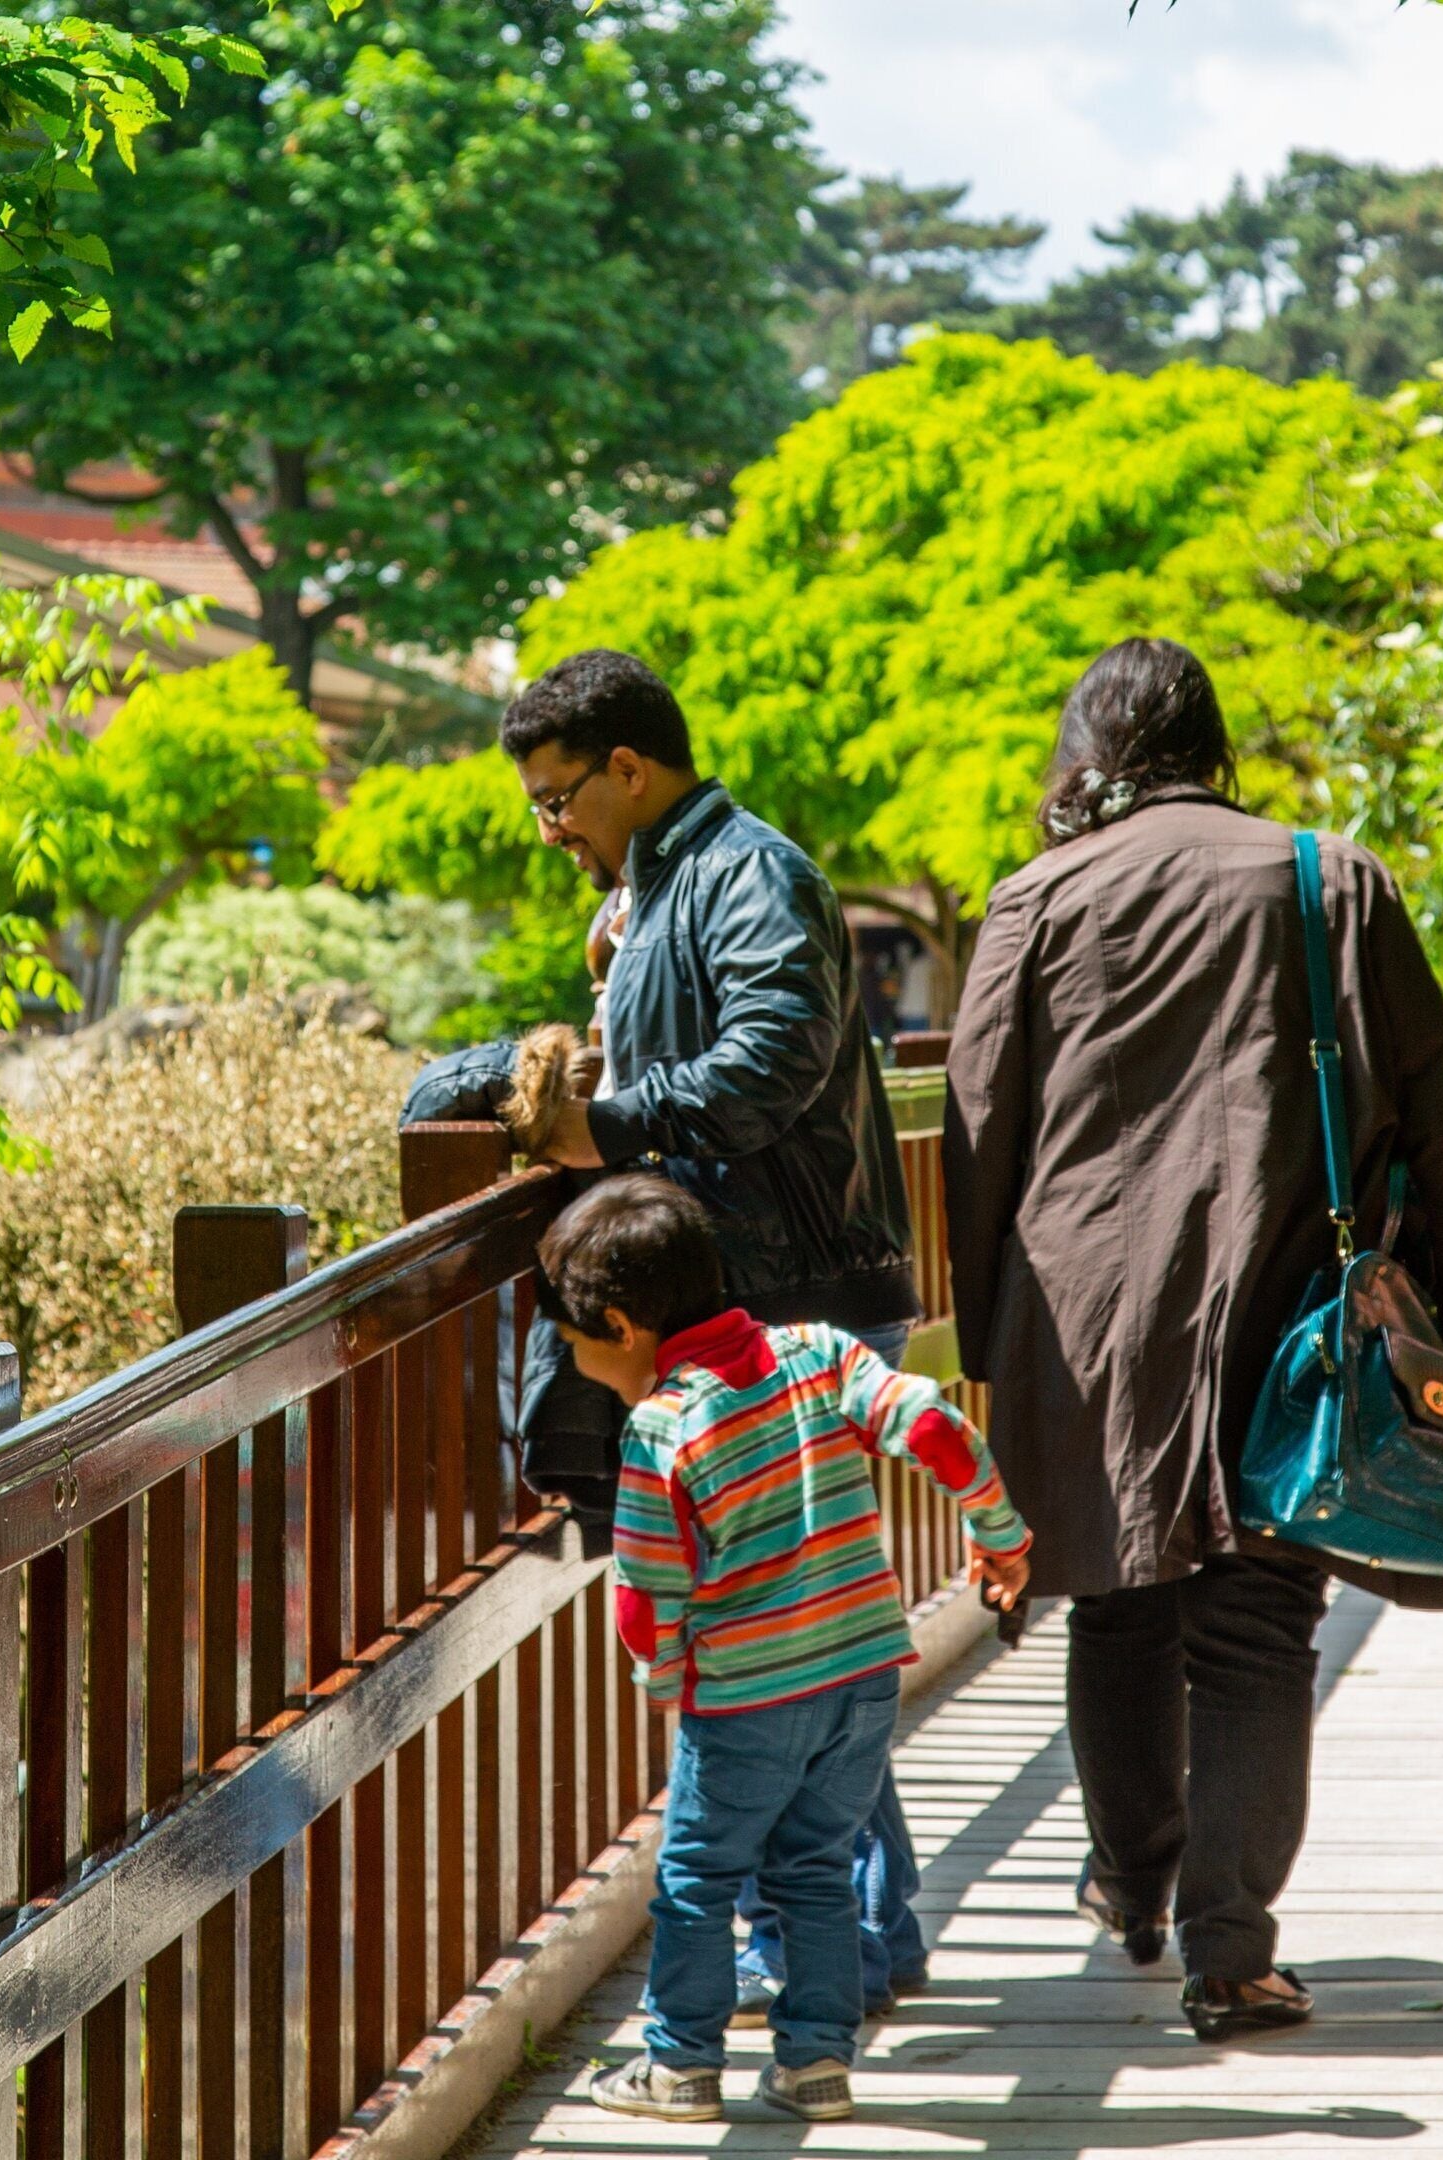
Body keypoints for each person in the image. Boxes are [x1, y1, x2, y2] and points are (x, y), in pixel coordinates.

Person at [942, 638, 1443, 2044]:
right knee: (1258, 1623)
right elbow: (1434, 1107)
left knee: (1120, 1593)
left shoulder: (1032, 899)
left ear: (1084, 754)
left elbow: (974, 1133)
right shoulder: (1331, 881)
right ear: (1213, 746)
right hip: (1287, 1292)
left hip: (1086, 1317)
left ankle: (1132, 1888)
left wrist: (982, 1333)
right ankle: (1233, 1954)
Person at [496, 648, 933, 2015]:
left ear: (630, 767)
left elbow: (772, 1061)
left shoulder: (748, 871)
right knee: (797, 1651)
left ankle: (834, 1948)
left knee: (778, 1660)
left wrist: (607, 1122)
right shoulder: (661, 885)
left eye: (558, 797)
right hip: (752, 1295)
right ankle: (854, 1935)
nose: (550, 827)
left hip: (787, 1296)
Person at [540, 1177, 1031, 2125]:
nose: (573, 1360)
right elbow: (934, 1422)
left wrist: (666, 1679)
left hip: (746, 1698)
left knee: (696, 1876)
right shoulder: (815, 1351)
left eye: (573, 1344)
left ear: (619, 1325)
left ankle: (679, 2061)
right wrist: (1001, 1533)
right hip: (861, 1678)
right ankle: (815, 2065)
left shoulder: (661, 1426)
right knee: (817, 1867)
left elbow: (648, 1593)